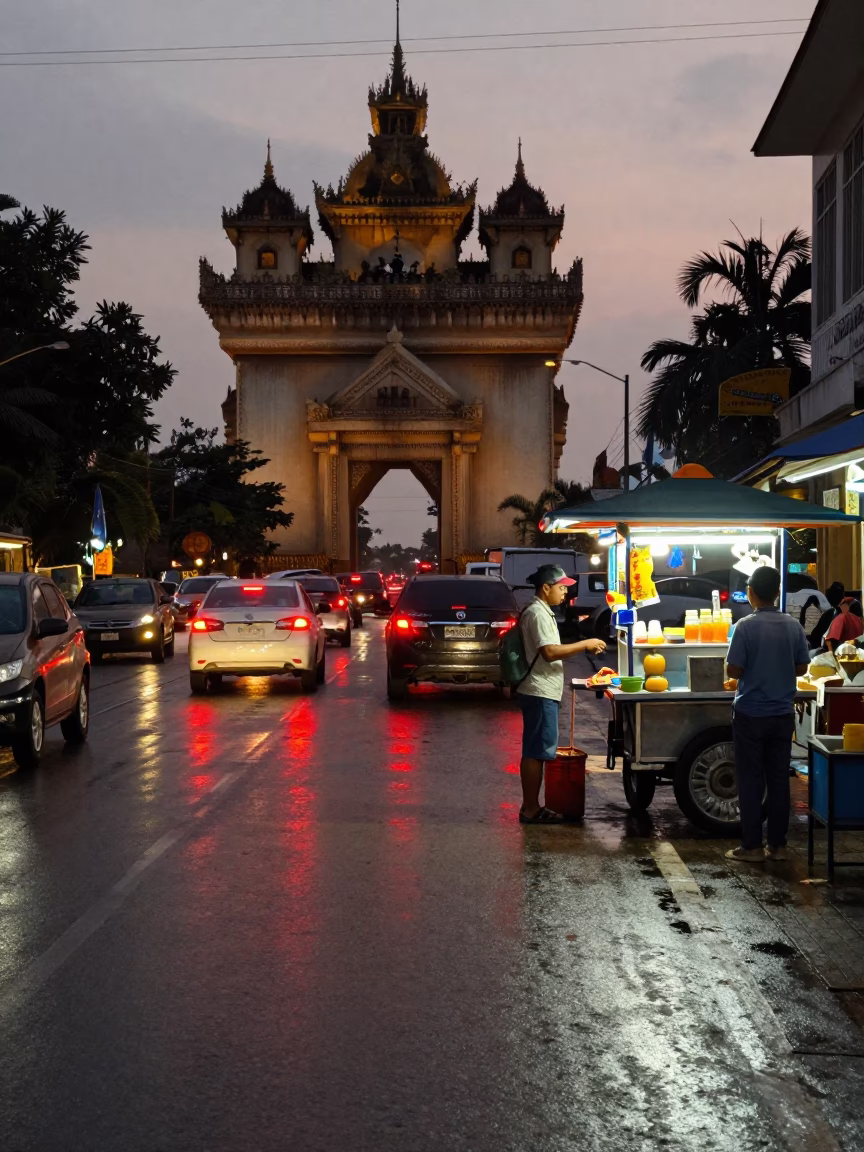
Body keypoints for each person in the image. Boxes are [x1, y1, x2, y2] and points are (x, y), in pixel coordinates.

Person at [725, 566, 809, 863]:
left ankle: (751, 846)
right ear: (777, 592)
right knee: (778, 779)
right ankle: (778, 845)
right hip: (782, 713)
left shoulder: (744, 627)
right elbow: (802, 668)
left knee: (750, 779)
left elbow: (733, 670)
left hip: (750, 713)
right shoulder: (793, 626)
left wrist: (750, 670)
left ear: (750, 593)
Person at [517, 564, 606, 824]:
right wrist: (585, 644)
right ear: (546, 588)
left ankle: (531, 806)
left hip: (542, 689)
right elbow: (550, 652)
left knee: (537, 749)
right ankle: (530, 808)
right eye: (561, 587)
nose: (565, 592)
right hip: (539, 690)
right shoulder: (537, 613)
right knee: (535, 751)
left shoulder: (542, 611)